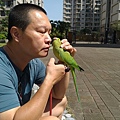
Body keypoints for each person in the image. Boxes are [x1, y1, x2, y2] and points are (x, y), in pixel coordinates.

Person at [0, 3, 77, 120]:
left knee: (60, 102)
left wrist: (64, 61)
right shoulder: (2, 67)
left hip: (16, 114)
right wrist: (49, 80)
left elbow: (58, 94)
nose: (49, 39)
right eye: (41, 32)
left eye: (49, 33)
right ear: (16, 34)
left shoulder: (33, 63)